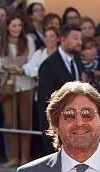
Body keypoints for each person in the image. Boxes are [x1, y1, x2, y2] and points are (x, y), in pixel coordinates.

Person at [0, 12, 35, 166]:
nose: (17, 29)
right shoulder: (0, 41)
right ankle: (13, 157)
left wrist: (21, 68)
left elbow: (32, 59)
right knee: (11, 122)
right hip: (8, 83)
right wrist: (5, 66)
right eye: (14, 26)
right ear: (8, 27)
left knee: (25, 121)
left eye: (19, 25)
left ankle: (25, 157)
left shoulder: (28, 40)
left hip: (25, 83)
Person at [37, 23, 83, 153]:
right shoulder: (49, 65)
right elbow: (44, 100)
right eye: (75, 38)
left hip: (75, 123)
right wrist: (53, 127)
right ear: (63, 40)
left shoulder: (77, 59)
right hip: (58, 126)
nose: (79, 42)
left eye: (80, 38)